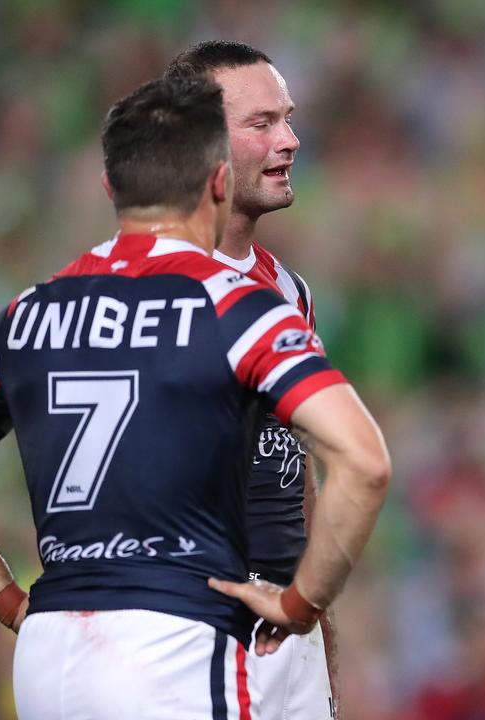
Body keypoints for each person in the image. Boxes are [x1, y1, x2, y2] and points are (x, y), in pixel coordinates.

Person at [0, 75, 390, 719]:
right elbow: (364, 460)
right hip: (180, 644)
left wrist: (6, 599)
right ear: (219, 182)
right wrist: (302, 603)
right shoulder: (240, 307)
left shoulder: (26, 314)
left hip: (49, 655)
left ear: (112, 187)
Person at [164, 40, 340, 719]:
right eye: (262, 123)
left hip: (286, 627)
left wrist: (318, 621)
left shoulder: (288, 289)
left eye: (288, 119)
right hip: (190, 626)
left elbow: (297, 467)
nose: (291, 140)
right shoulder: (150, 286)